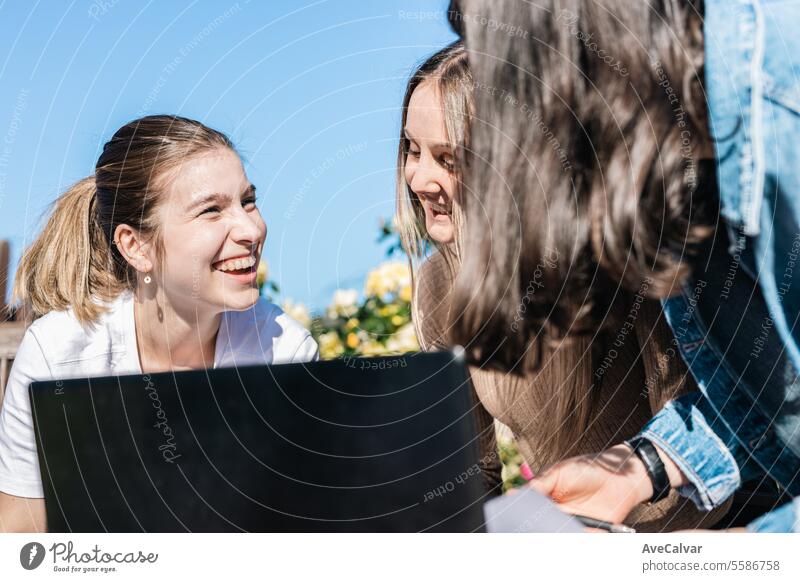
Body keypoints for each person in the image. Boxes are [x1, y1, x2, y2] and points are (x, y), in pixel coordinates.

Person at [447, 0, 800, 531]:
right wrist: (643, 467)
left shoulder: (775, 103)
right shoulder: (676, 130)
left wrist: (676, 561)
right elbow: (781, 397)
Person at [396, 42, 728, 529]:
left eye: (449, 159)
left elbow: (704, 424)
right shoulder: (439, 287)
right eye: (412, 149)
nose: (420, 178)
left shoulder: (618, 259)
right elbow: (473, 475)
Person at [0, 115, 319, 532]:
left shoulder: (284, 354)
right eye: (211, 210)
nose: (250, 228)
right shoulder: (59, 356)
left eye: (248, 200)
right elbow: (21, 541)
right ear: (136, 246)